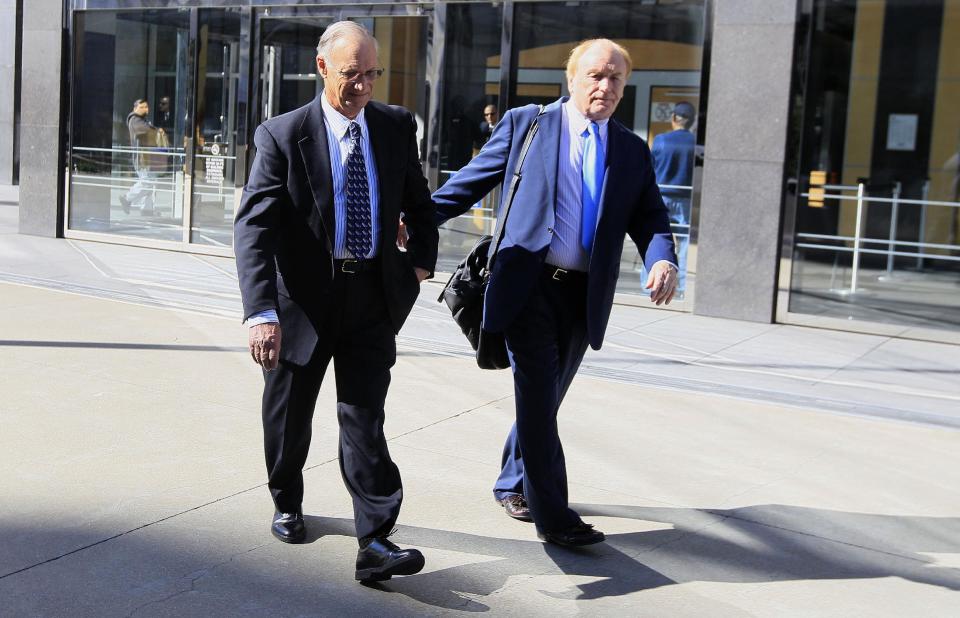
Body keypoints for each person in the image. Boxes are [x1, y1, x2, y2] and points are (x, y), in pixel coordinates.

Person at [433, 39, 678, 547]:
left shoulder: (630, 149)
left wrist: (662, 259)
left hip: (583, 297)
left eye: (615, 79)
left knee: (543, 402)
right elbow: (471, 182)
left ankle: (510, 482)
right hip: (528, 286)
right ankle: (555, 517)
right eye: (595, 76)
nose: (605, 87)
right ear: (572, 79)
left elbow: (651, 216)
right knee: (539, 396)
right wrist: (415, 221)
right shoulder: (530, 125)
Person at [233, 21, 438, 582]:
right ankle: (286, 497)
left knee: (365, 419)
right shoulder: (283, 134)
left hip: (372, 296)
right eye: (352, 74)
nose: (364, 86)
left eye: (372, 74)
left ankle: (375, 541)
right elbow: (254, 228)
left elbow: (420, 203)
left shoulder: (396, 127)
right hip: (302, 301)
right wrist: (261, 312)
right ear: (323, 68)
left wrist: (419, 264)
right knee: (289, 418)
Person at [650, 101, 696, 295]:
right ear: (692, 121)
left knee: (656, 237)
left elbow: (649, 171)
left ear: (674, 118)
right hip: (685, 199)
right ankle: (682, 285)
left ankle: (651, 283)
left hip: (661, 197)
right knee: (685, 243)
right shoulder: (695, 143)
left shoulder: (661, 140)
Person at [120, 99, 165, 214]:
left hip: (147, 157)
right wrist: (157, 130)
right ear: (135, 108)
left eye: (146, 107)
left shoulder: (141, 120)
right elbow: (146, 131)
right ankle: (127, 198)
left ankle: (147, 209)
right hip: (142, 158)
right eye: (142, 107)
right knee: (147, 182)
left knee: (150, 181)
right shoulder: (135, 120)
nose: (145, 109)